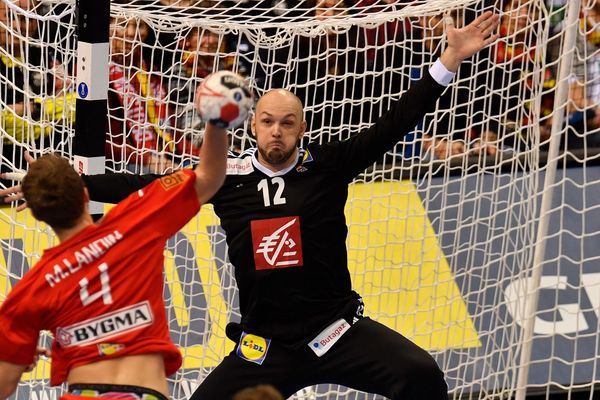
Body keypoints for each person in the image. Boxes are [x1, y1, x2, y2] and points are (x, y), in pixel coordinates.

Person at [1, 10, 499, 400]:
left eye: (287, 123)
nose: (276, 132)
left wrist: (448, 62)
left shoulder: (327, 163)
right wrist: (53, 185)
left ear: (301, 128)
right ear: (251, 122)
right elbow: (140, 183)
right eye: (267, 122)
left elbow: (395, 123)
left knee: (421, 375)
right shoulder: (227, 177)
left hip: (336, 331)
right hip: (265, 347)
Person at [0, 119, 229, 399]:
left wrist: (18, 358)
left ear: (36, 215)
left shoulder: (33, 286)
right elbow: (210, 175)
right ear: (86, 194)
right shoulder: (136, 222)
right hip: (143, 391)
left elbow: (3, 385)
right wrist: (218, 121)